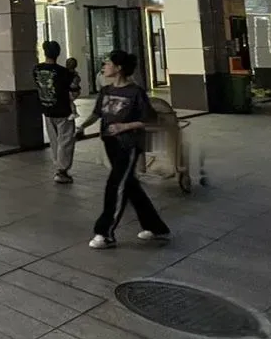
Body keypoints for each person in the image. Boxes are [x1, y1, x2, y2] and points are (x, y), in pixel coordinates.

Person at [77, 50, 170, 249]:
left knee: (116, 185)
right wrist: (82, 126)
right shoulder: (106, 90)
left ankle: (105, 233)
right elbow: (97, 114)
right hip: (110, 143)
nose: (104, 67)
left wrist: (125, 126)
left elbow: (150, 119)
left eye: (107, 63)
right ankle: (155, 227)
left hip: (128, 145)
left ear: (119, 68)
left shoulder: (135, 92)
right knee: (130, 185)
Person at [33, 40, 76, 184]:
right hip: (64, 111)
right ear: (58, 53)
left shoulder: (36, 69)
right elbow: (73, 89)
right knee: (66, 140)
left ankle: (57, 165)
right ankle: (62, 171)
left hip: (47, 109)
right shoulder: (63, 71)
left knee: (54, 141)